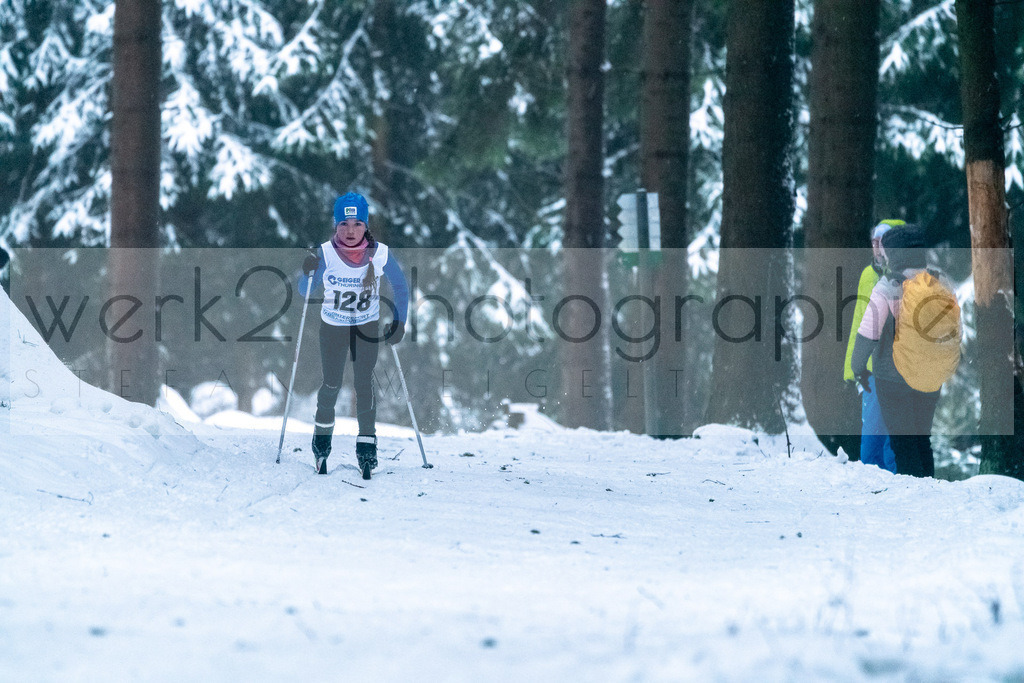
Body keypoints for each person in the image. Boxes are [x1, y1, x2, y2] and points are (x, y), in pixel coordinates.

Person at [299, 192, 409, 478]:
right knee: (332, 384)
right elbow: (305, 291)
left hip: (366, 327)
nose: (350, 231)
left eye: (357, 224)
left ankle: (367, 448)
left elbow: (401, 287)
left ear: (366, 225)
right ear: (336, 226)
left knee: (364, 385)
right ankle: (321, 443)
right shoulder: (324, 252)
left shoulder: (381, 253)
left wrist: (399, 321)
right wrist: (307, 271)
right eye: (344, 224)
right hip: (333, 327)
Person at [850, 225, 952, 478]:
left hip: (892, 376)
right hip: (930, 375)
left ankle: (915, 494)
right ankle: (928, 487)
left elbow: (867, 335)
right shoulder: (939, 281)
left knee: (902, 441)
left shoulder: (888, 286)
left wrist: (858, 368)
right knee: (921, 438)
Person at [843, 220, 902, 473]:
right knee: (872, 439)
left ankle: (898, 489)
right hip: (871, 370)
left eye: (883, 241)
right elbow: (860, 320)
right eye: (874, 241)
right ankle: (871, 491)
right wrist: (851, 368)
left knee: (896, 439)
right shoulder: (868, 275)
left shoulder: (907, 276)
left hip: (901, 368)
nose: (876, 247)